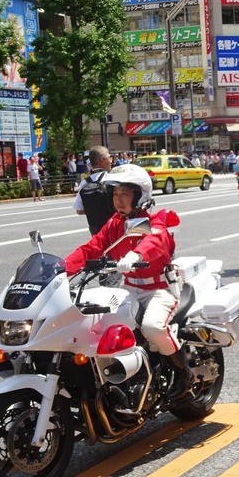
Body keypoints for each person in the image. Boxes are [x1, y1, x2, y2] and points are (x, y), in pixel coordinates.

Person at [64, 164, 191, 400]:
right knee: (98, 324)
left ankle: (183, 373)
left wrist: (135, 256)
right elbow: (91, 248)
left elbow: (154, 241)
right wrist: (61, 269)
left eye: (124, 194)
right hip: (130, 288)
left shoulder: (154, 221)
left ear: (139, 195)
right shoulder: (115, 223)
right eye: (115, 194)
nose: (118, 200)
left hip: (159, 289)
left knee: (153, 327)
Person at [72, 146, 114, 235]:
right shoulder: (112, 178)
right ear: (102, 161)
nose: (111, 160)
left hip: (96, 230)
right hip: (113, 226)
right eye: (109, 157)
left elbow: (79, 210)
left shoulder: (85, 183)